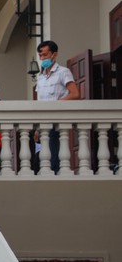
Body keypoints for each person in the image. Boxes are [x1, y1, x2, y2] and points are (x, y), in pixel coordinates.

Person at [35, 40, 80, 172]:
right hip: (43, 122)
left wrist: (57, 103)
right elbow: (39, 101)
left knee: (53, 158)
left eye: (45, 54)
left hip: (57, 120)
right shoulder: (41, 77)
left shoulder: (63, 72)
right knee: (42, 159)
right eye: (40, 55)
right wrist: (36, 127)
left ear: (54, 55)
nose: (42, 58)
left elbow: (75, 94)